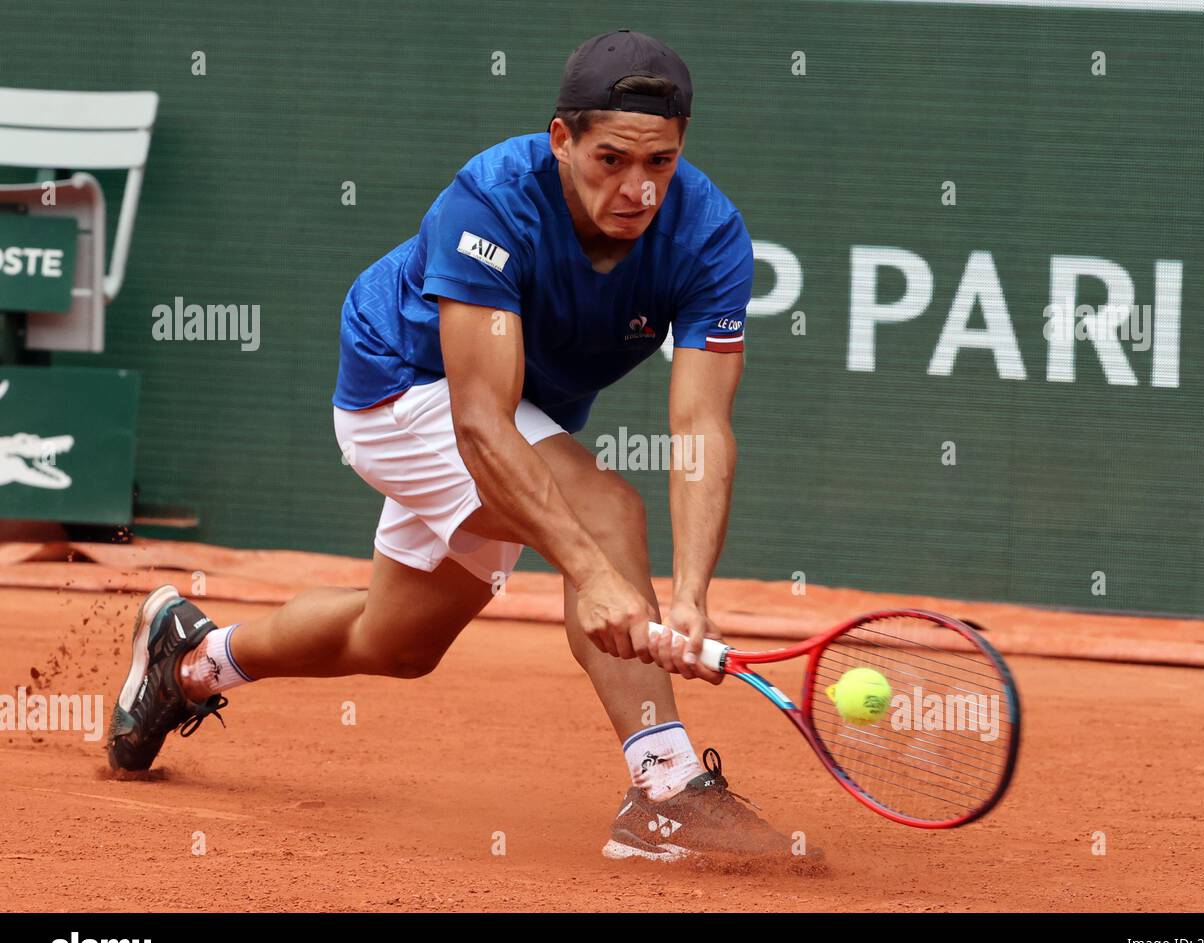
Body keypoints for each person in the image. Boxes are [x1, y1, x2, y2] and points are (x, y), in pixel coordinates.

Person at [108, 29, 794, 861]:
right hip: (399, 387)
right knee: (606, 509)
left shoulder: (710, 234)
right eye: (612, 159)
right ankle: (666, 789)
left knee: (397, 643)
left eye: (661, 163)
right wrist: (593, 576)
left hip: (518, 422)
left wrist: (687, 598)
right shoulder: (495, 199)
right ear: (561, 139)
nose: (638, 187)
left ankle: (191, 660)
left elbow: (700, 428)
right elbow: (478, 423)